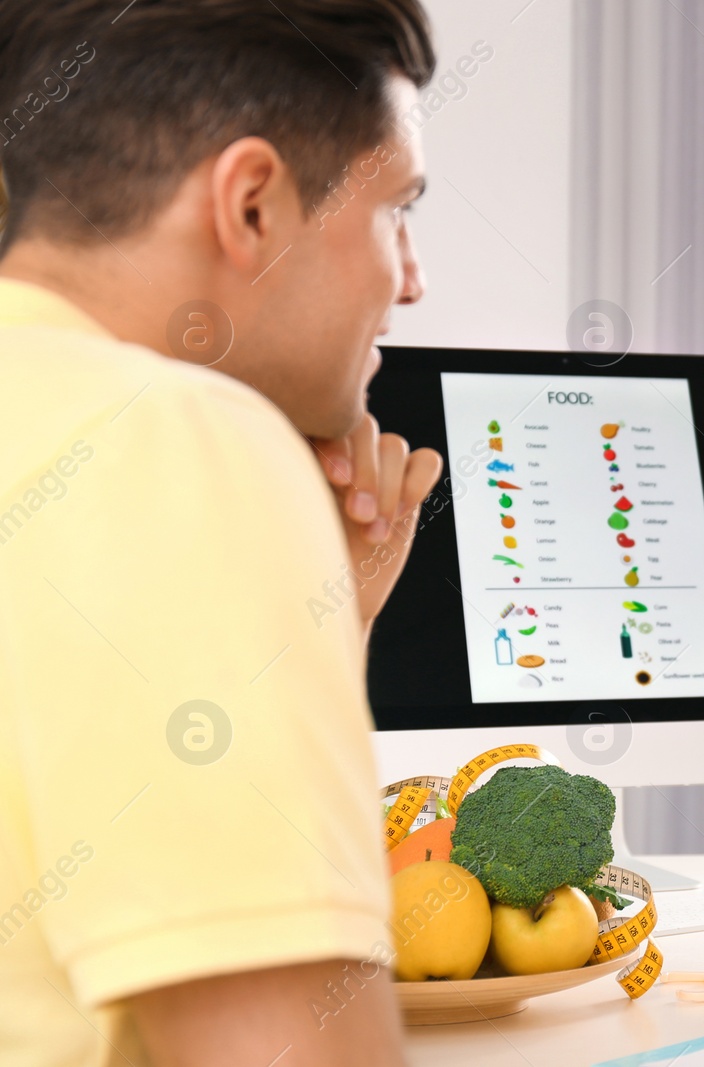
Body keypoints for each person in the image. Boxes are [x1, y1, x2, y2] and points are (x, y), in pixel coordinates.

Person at [0, 2, 443, 1063]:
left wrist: (316, 628)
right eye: (397, 212)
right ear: (250, 204)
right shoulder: (176, 436)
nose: (411, 280)